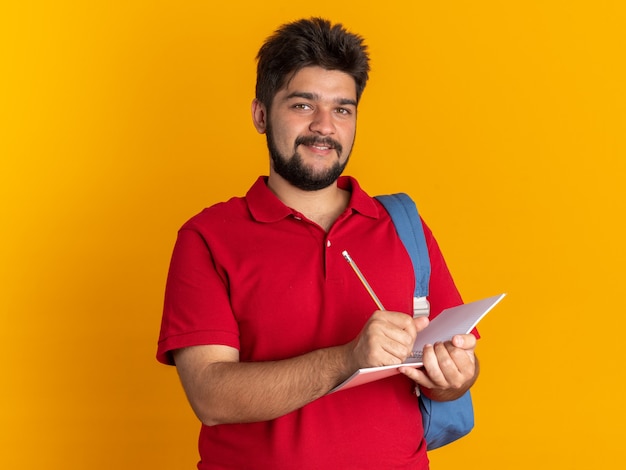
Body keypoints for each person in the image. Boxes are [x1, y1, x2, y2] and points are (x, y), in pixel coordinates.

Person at [157, 17, 478, 469]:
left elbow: (451, 372)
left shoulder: (403, 224)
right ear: (261, 115)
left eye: (342, 109)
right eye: (303, 105)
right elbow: (210, 397)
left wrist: (454, 378)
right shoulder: (208, 237)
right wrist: (349, 357)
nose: (325, 127)